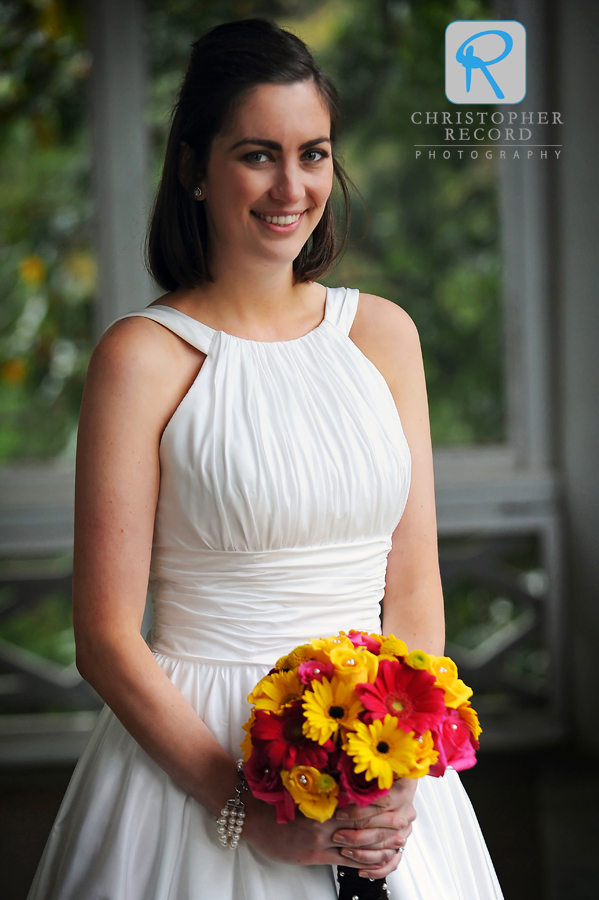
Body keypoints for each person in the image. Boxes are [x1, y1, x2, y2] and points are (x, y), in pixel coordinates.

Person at [28, 19, 503, 900]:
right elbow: (103, 638)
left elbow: (413, 586)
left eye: (313, 153)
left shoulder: (384, 336)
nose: (292, 186)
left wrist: (396, 759)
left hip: (377, 758)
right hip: (199, 759)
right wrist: (246, 809)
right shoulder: (141, 358)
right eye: (257, 154)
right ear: (192, 169)